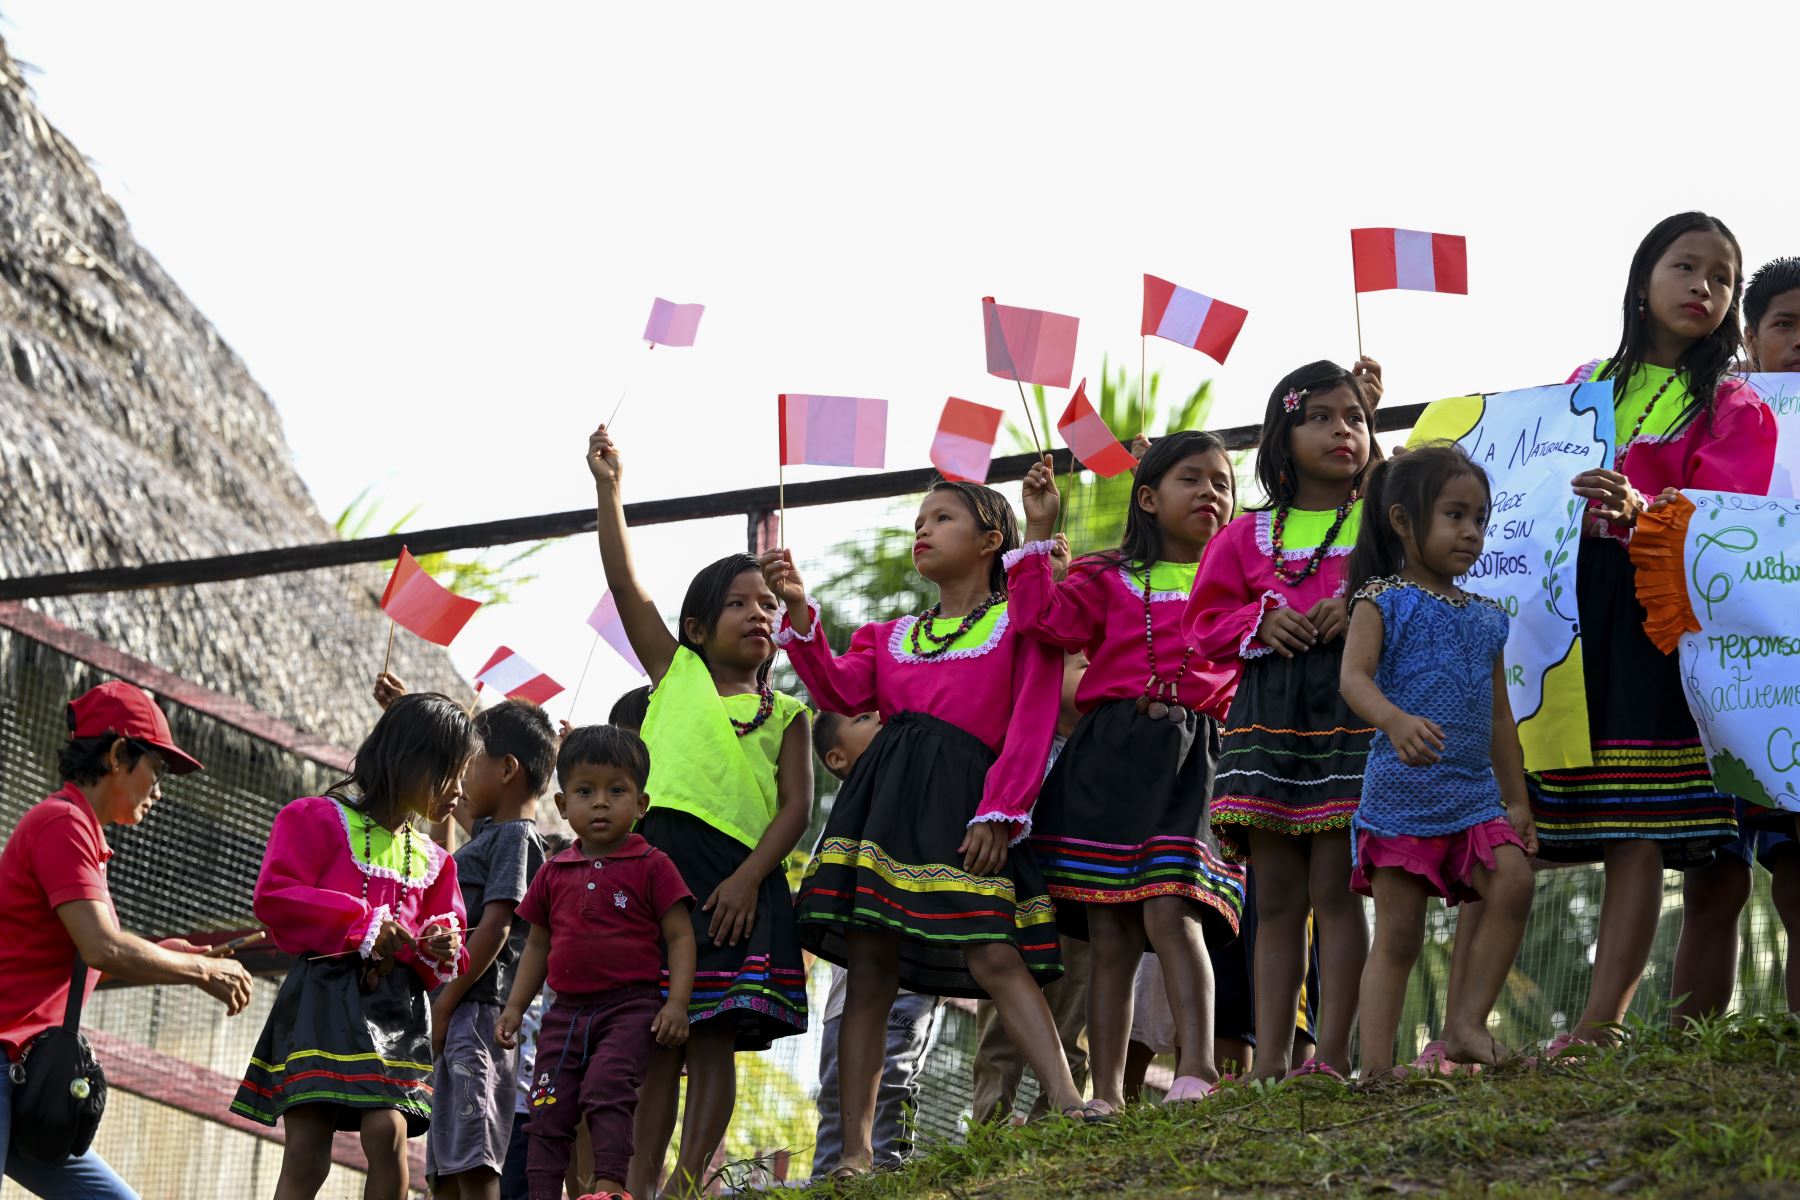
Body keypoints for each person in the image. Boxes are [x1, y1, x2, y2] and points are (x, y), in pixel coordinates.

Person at [761, 477, 1089, 1179]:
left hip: (967, 810)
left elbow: (1032, 723)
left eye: (943, 518)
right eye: (920, 519)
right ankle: (854, 1154)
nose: (923, 529)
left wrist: (1001, 812)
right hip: (884, 814)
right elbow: (838, 689)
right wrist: (797, 607)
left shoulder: (1021, 628)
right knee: (871, 967)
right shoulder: (893, 637)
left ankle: (1065, 1097)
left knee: (993, 954)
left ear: (989, 542)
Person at [1532, 213, 1776, 1051]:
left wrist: (1646, 514)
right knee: (1527, 817)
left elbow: (1731, 523)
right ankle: (1462, 1027)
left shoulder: (1735, 405)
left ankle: (1600, 1025)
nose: (1703, 288)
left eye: (1723, 279)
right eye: (1686, 267)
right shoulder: (1579, 384)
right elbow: (1524, 486)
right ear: (1643, 280)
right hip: (1564, 615)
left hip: (1653, 613)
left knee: (1636, 814)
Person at [586, 424, 812, 1200]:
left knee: (713, 1038)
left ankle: (687, 1186)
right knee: (657, 1041)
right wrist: (610, 490)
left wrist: (751, 880)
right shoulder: (673, 674)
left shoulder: (787, 715)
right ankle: (639, 1185)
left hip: (736, 889)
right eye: (740, 604)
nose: (760, 615)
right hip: (657, 878)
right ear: (694, 629)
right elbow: (626, 587)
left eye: (769, 606)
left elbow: (796, 809)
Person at [1010, 431, 1246, 1107]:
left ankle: (1196, 1072)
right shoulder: (1103, 576)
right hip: (1109, 760)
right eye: (1191, 480)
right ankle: (1107, 1095)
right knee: (1110, 927)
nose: (1210, 493)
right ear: (1147, 498)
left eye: (1222, 484)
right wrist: (1039, 529)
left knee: (1174, 913)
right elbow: (1041, 620)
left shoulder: (1238, 582)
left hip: (1196, 762)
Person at [1184, 360, 1379, 1081]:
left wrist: (1362, 604)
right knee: (1276, 901)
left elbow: (1417, 591)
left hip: (1350, 717)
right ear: (1282, 435)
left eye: (1355, 418)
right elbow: (1201, 627)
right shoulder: (1242, 536)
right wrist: (1261, 621)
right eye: (1321, 417)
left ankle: (1330, 1056)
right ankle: (1269, 1063)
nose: (1342, 431)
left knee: (1336, 890)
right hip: (1266, 723)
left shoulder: (1386, 521)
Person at [0, 681, 253, 1197]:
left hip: (25, 1081)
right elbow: (103, 947)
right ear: (118, 755)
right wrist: (204, 970)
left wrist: (174, 955)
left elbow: (88, 956)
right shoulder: (63, 823)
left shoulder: (84, 835)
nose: (159, 791)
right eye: (156, 772)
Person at [1338, 445, 1538, 1074]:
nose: (1471, 532)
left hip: (1475, 794)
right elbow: (1353, 678)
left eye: (1480, 518)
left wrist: (1518, 798)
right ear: (1402, 520)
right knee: (1398, 936)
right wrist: (1394, 720)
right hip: (1401, 793)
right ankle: (1374, 1069)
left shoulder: (1487, 619)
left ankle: (1466, 1028)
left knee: (1513, 880)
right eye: (1455, 515)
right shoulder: (1381, 599)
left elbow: (1501, 715)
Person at [233, 693, 474, 1200]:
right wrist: (363, 924)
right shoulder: (314, 819)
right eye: (449, 772)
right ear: (409, 758)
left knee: (388, 1135)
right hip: (323, 996)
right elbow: (275, 896)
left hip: (396, 1010)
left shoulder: (436, 861)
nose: (459, 790)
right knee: (306, 1151)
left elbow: (446, 946)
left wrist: (438, 942)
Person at [1668, 255, 1800, 1021]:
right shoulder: (1717, 413)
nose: (1799, 340)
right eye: (1785, 324)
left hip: (1789, 691)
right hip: (1720, 681)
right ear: (1749, 337)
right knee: (1713, 879)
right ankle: (1688, 1048)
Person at [497, 725, 697, 1200]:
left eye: (617, 790)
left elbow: (680, 936)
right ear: (564, 807)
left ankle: (609, 1189)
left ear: (641, 804)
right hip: (562, 1012)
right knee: (546, 1104)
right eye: (586, 792)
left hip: (630, 1008)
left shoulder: (653, 864)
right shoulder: (552, 871)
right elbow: (538, 947)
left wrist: (677, 1005)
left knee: (608, 1089)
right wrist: (514, 1006)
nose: (602, 802)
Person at [428, 700, 555, 1199]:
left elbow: (498, 925)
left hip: (477, 1014)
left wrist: (443, 1004)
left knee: (474, 1158)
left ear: (506, 769)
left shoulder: (517, 838)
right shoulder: (488, 837)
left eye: (469, 764)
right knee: (446, 1162)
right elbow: (446, 861)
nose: (460, 778)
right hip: (458, 1013)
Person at [809, 711, 944, 1178]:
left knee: (895, 1083)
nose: (882, 719)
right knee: (836, 1096)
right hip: (844, 1005)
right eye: (865, 718)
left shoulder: (921, 804)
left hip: (908, 986)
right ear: (837, 757)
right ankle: (831, 1182)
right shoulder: (844, 821)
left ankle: (887, 1178)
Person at [970, 644, 1091, 1125]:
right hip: (1016, 895)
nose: (1097, 671)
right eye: (1083, 664)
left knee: (1073, 1014)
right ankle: (989, 1123)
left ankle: (1059, 1121)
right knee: (1002, 1018)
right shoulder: (1015, 745)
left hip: (1080, 899)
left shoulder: (1100, 749)